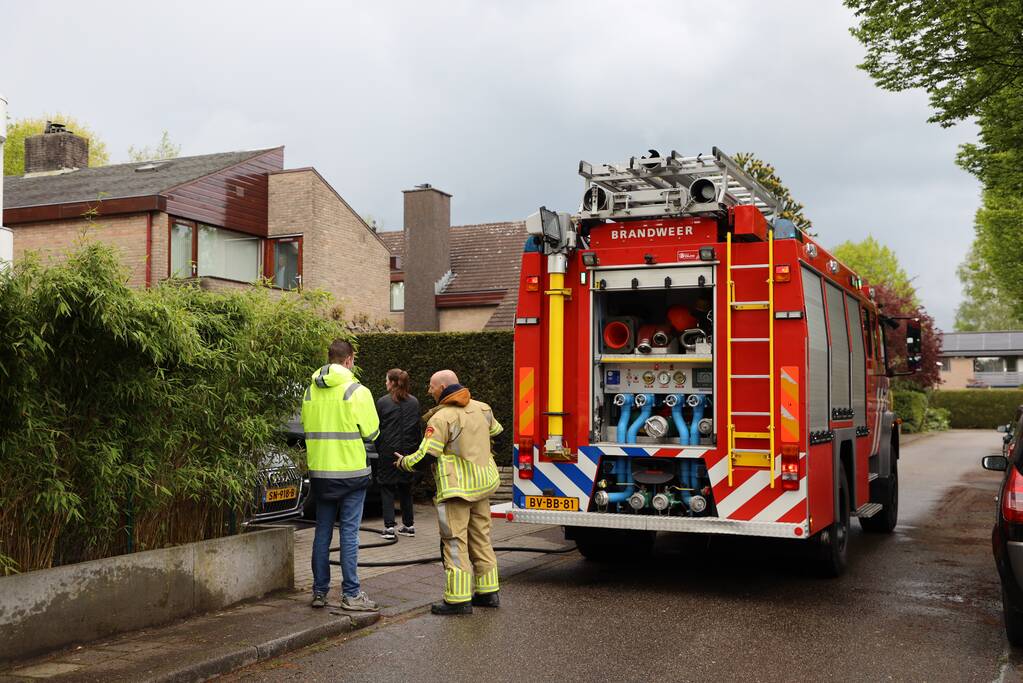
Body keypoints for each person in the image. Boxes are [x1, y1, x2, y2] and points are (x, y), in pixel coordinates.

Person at [397, 369, 503, 615]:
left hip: (456, 490)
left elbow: (427, 455)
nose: (428, 391)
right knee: (481, 538)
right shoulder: (483, 409)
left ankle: (458, 600)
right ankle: (488, 593)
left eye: (431, 386)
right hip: (482, 485)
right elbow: (497, 433)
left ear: (443, 386)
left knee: (455, 542)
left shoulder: (441, 418)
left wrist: (403, 463)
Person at [301, 339, 379, 612]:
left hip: (321, 474)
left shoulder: (310, 391)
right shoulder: (357, 391)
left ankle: (319, 592)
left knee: (322, 532)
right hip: (352, 474)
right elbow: (372, 433)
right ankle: (351, 594)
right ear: (349, 360)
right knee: (349, 533)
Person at [374, 368, 420, 540]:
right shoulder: (414, 402)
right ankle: (408, 525)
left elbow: (377, 428)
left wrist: (379, 447)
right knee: (406, 487)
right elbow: (417, 430)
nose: (385, 383)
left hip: (387, 451)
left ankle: (389, 528)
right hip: (408, 451)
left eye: (387, 380)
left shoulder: (383, 402)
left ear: (392, 382)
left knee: (386, 488)